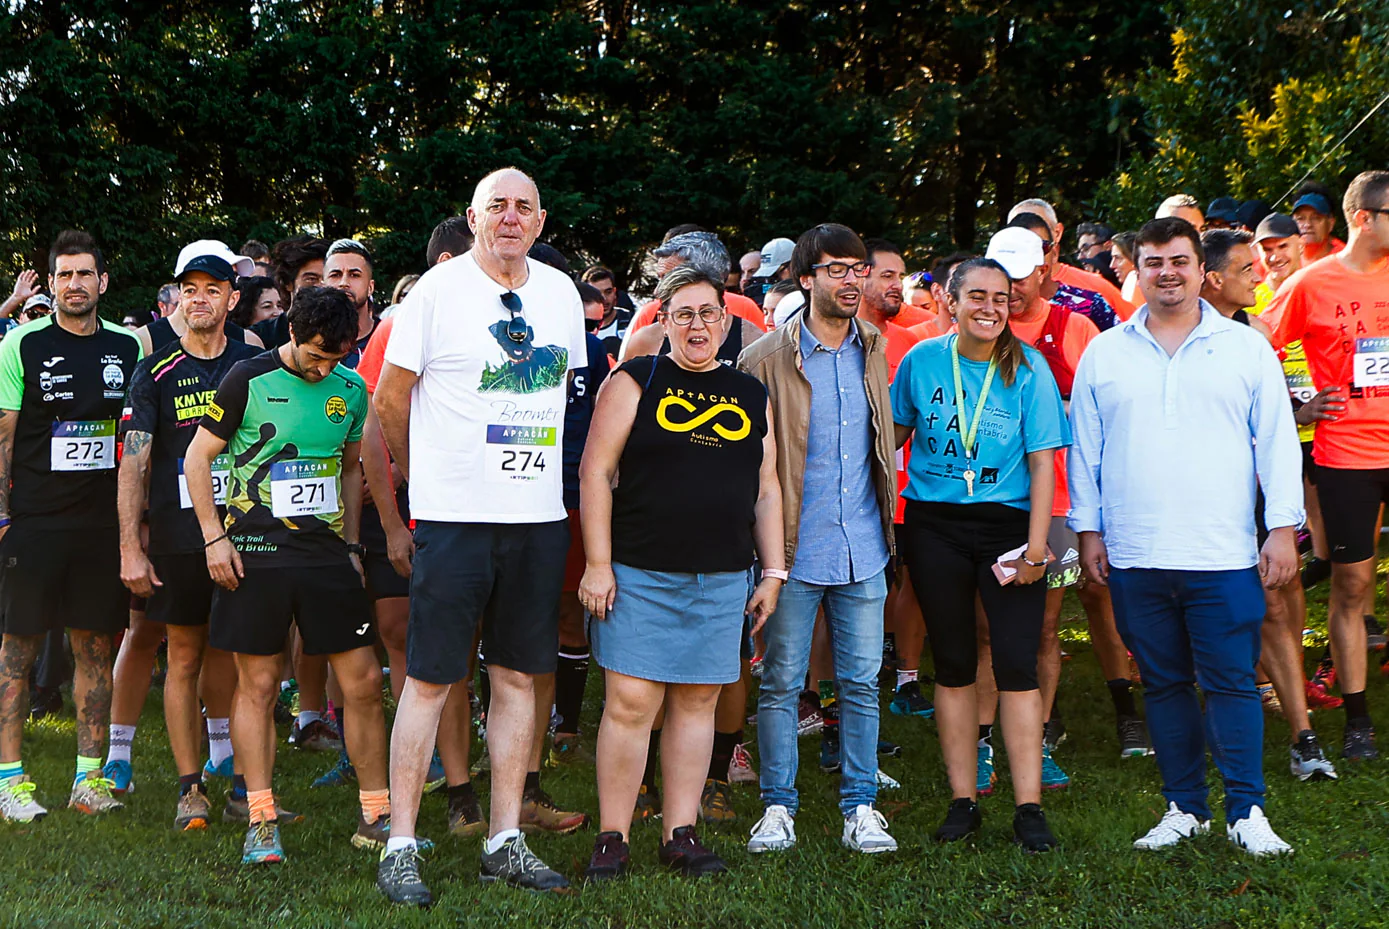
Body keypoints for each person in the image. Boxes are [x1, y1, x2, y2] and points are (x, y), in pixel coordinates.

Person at [374, 168, 587, 903]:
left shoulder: (559, 293)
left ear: (540, 219)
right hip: (455, 519)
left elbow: (560, 395)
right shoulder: (436, 293)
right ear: (471, 217)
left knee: (520, 676)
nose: (509, 216)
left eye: (522, 205)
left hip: (534, 520)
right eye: (495, 204)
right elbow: (388, 400)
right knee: (432, 678)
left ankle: (505, 837)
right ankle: (400, 844)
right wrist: (425, 481)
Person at [1069, 216, 1303, 857]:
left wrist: (1282, 527)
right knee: (1165, 684)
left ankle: (1246, 809)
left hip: (1222, 552)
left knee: (1230, 682)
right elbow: (1084, 451)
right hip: (1136, 553)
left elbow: (1279, 444)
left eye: (1179, 260)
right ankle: (1184, 807)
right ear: (1135, 271)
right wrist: (1088, 530)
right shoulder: (1105, 352)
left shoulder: (1245, 347)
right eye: (1153, 262)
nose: (1166, 272)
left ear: (1203, 270)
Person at [578, 265, 784, 880]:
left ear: (727, 322)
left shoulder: (751, 393)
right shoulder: (637, 378)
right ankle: (613, 836)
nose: (698, 325)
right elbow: (594, 473)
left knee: (698, 701)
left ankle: (680, 832)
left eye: (709, 314)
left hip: (722, 576)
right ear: (664, 322)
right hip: (638, 571)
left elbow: (767, 488)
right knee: (632, 702)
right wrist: (596, 564)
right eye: (684, 314)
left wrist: (772, 571)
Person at [185, 285, 391, 865]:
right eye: (316, 356)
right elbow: (198, 459)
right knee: (257, 686)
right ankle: (260, 817)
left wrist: (352, 543)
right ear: (293, 334)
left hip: (325, 556)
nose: (326, 368)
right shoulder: (247, 380)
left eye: (337, 357)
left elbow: (351, 470)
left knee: (364, 682)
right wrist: (214, 538)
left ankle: (376, 813)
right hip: (255, 553)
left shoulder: (350, 388)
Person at [891, 256, 1069, 851]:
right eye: (978, 296)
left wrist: (1039, 549)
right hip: (935, 524)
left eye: (1001, 297)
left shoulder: (1030, 368)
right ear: (950, 299)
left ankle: (1029, 808)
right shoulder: (920, 361)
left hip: (1009, 528)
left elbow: (1044, 460)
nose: (991, 307)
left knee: (1016, 662)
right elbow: (890, 437)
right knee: (956, 661)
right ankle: (962, 800)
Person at [739, 223, 899, 856]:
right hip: (791, 551)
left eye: (859, 268)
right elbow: (749, 466)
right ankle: (779, 807)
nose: (853, 280)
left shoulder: (875, 345)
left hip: (864, 546)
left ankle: (860, 806)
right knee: (780, 683)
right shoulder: (764, 360)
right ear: (804, 280)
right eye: (837, 269)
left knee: (861, 684)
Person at [114, 240, 262, 828]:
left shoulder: (252, 367)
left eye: (212, 290)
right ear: (177, 295)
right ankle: (188, 787)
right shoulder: (155, 369)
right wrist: (130, 544)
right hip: (179, 538)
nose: (198, 300)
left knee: (242, 656)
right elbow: (133, 459)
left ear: (232, 298)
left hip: (247, 532)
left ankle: (243, 785)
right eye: (188, 289)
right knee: (182, 655)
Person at [0, 230, 143, 824]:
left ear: (102, 282)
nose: (75, 284)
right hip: (32, 523)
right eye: (64, 275)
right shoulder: (21, 343)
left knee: (93, 647)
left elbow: (139, 438)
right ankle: (9, 779)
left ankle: (89, 779)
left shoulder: (128, 347)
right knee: (16, 652)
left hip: (100, 527)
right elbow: (4, 434)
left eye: (85, 274)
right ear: (51, 282)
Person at [1199, 228, 1338, 781]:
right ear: (1212, 278)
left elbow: (1275, 421)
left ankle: (1303, 736)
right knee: (1198, 611)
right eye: (1244, 268)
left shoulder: (1255, 332)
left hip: (1249, 493)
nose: (1258, 275)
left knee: (1275, 606)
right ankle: (1209, 718)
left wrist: (1282, 517)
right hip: (1190, 502)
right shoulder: (1163, 334)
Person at [1262, 171, 1389, 762]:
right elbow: (1254, 347)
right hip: (1348, 452)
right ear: (1364, 217)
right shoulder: (1313, 283)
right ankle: (1358, 717)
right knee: (1353, 582)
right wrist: (1297, 405)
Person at [1009, 199, 1134, 320]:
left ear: (1057, 232)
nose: (1026, 239)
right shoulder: (998, 294)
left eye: (1037, 225)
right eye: (1018, 229)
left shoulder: (1095, 290)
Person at [135, 242, 263, 356]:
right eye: (223, 274)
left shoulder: (249, 342)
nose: (232, 283)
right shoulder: (144, 342)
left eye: (234, 277)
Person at [251, 235, 329, 349]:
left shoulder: (347, 331)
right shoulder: (260, 337)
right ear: (288, 283)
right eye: (311, 279)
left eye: (327, 278)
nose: (321, 286)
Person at [580, 266, 633, 359]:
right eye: (596, 293)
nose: (604, 299)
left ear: (615, 292)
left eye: (608, 292)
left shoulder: (631, 321)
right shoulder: (576, 326)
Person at [1291, 186, 1345, 263]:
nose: (1307, 224)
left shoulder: (1344, 259)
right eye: (1300, 219)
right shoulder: (1284, 256)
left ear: (1331, 223)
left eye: (1316, 218)